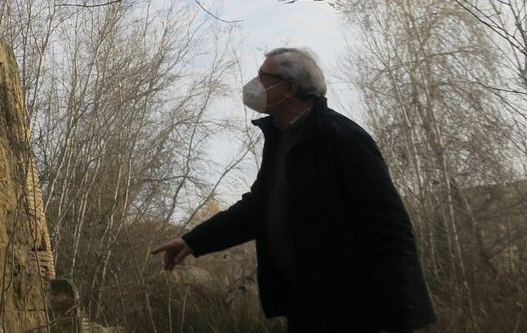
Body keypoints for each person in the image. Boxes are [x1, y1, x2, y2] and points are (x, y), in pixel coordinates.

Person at [150, 47, 435, 333]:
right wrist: (192, 241)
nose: (254, 84)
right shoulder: (281, 137)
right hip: (305, 305)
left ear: (290, 88)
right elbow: (258, 208)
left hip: (353, 309)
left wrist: (399, 319)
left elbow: (390, 229)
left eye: (263, 76)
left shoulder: (343, 138)